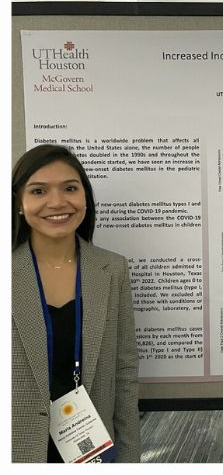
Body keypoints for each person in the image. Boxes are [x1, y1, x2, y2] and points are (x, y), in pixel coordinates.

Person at [12, 144, 141, 462]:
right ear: (18, 203)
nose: (57, 202)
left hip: (92, 448)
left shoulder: (113, 269)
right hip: (17, 449)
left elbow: (124, 371)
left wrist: (130, 459)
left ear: (85, 196)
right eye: (38, 190)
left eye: (70, 188)